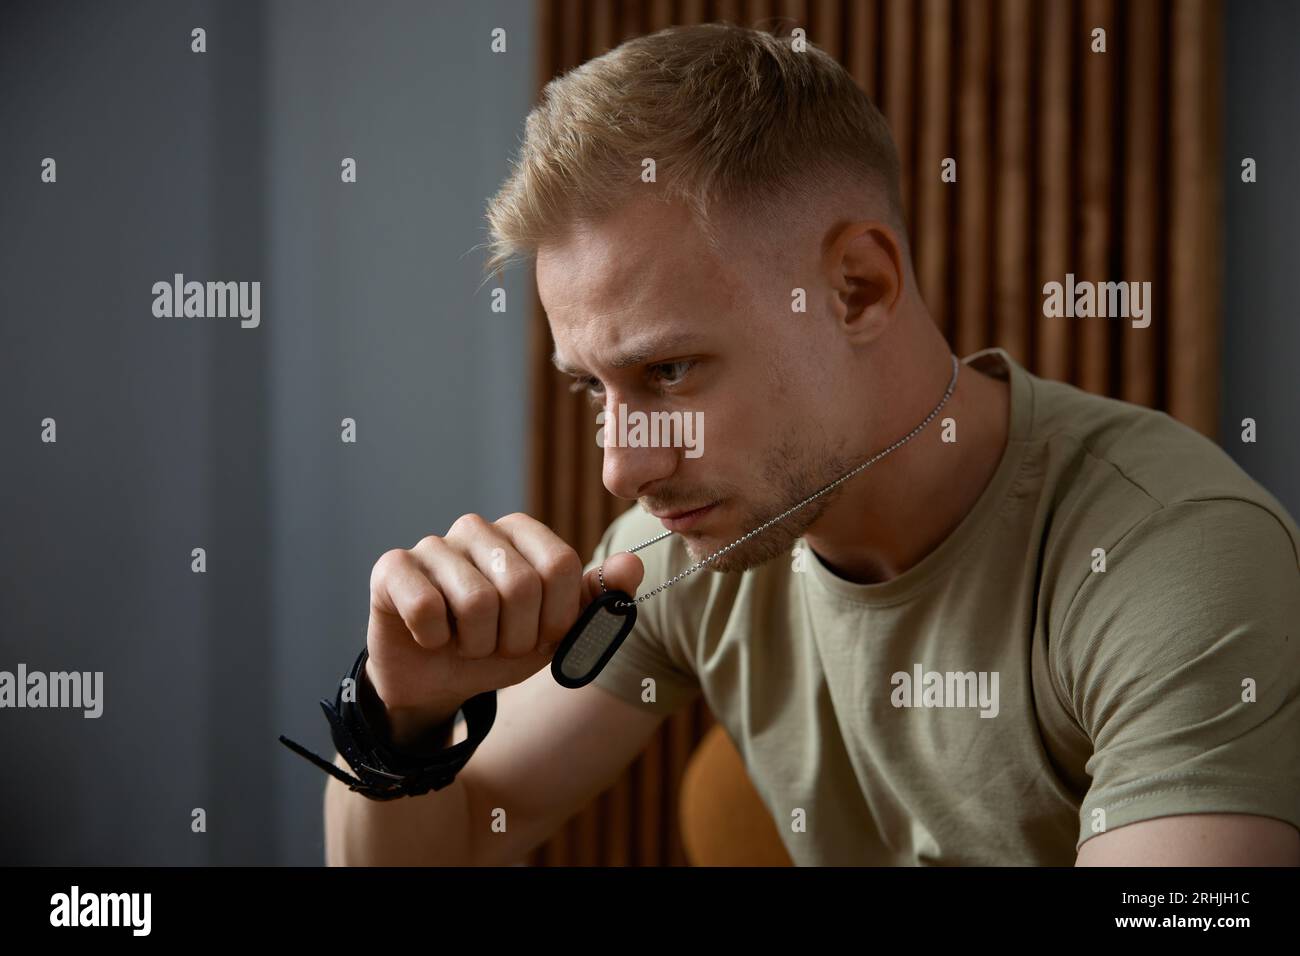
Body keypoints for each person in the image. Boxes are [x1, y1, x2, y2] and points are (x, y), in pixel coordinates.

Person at [322, 23, 1300, 866]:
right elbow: (452, 839)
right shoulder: (682, 550)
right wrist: (395, 714)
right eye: (593, 387)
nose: (623, 466)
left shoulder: (1172, 556)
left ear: (858, 288)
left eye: (668, 371)